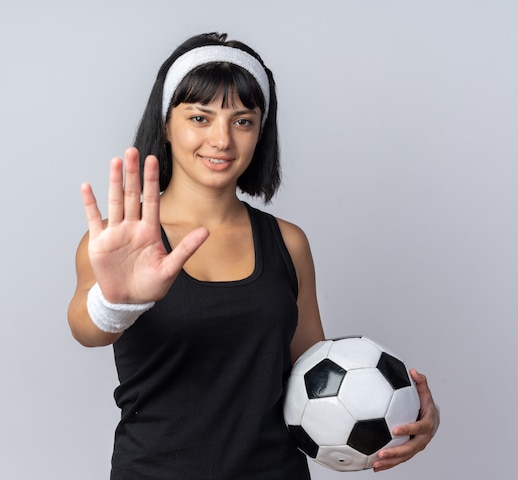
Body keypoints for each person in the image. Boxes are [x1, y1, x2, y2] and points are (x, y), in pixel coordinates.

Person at [68, 32, 439, 480]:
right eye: (200, 118)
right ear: (166, 124)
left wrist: (402, 419)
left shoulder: (288, 242)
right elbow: (86, 328)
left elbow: (316, 376)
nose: (221, 139)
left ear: (261, 130)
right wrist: (116, 303)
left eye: (243, 120)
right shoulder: (119, 241)